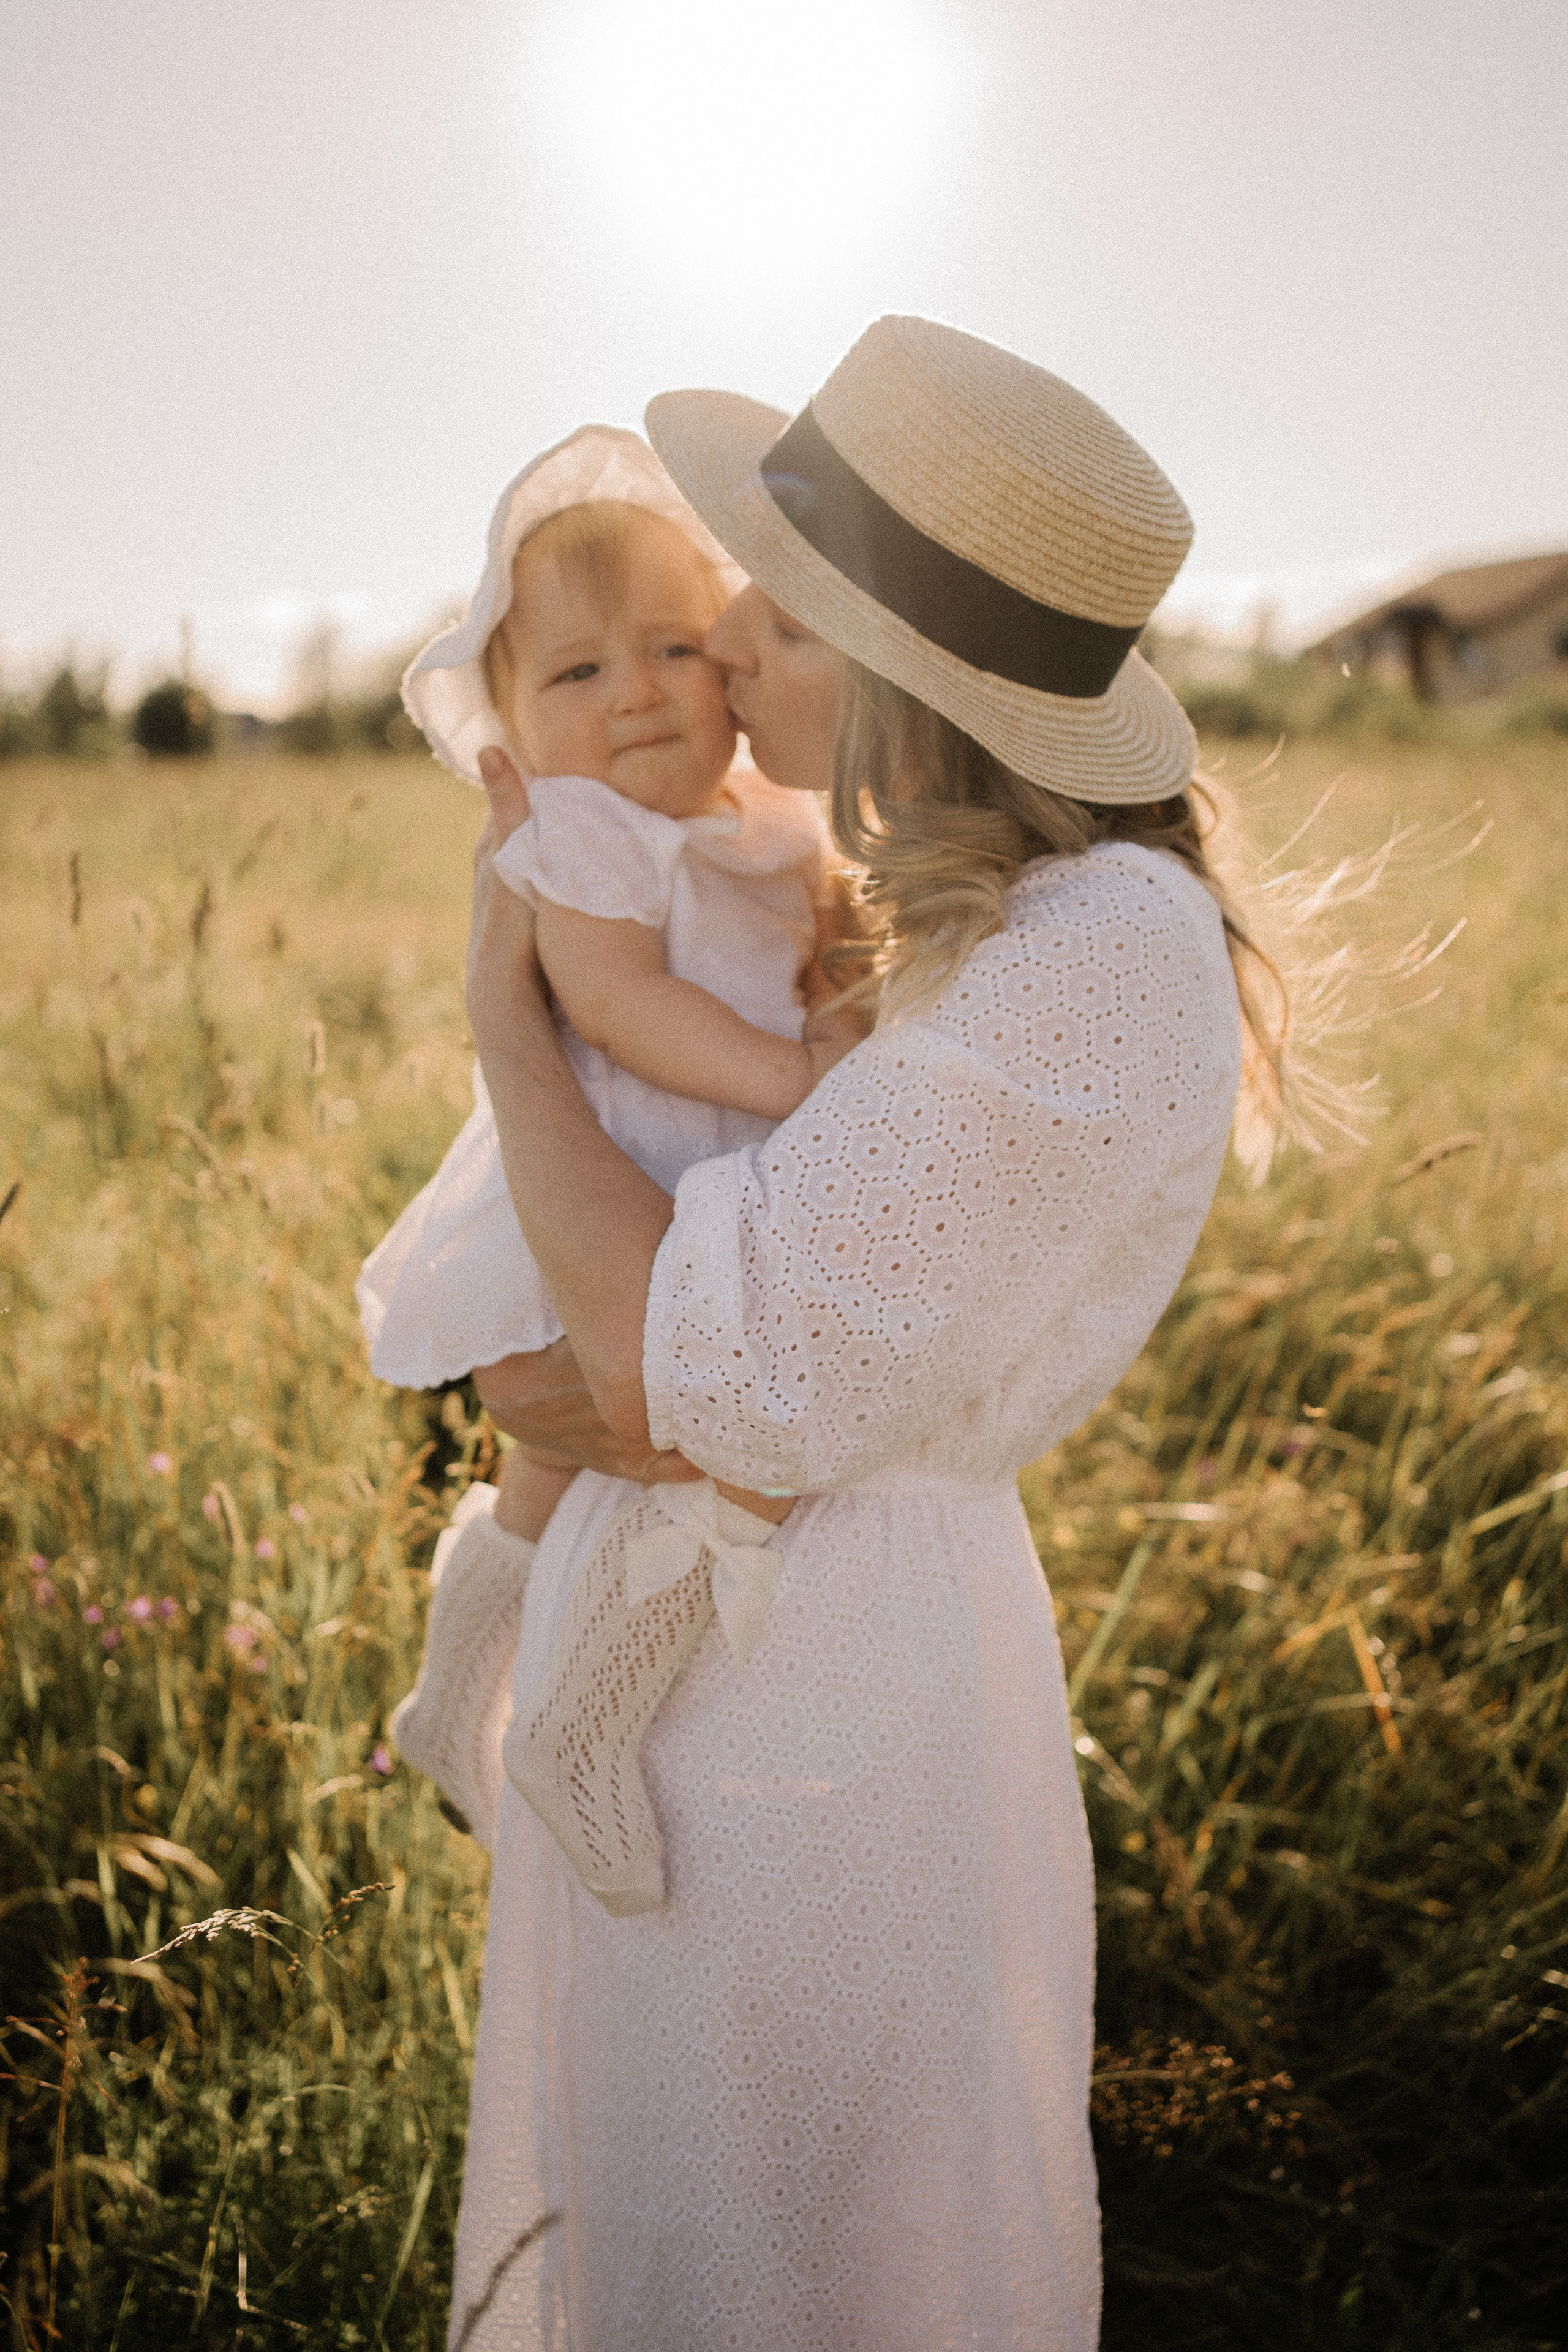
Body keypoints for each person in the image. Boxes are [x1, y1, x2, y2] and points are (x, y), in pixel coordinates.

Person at [446, 316, 1283, 2351]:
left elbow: (669, 1376)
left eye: (773, 628)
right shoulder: (985, 913)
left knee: (800, 2235)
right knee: (690, 2210)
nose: (721, 666)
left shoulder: (1089, 964)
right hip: (756, 1648)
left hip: (815, 1696)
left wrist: (504, 1003)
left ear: (900, 673)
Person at [356, 428, 861, 1851]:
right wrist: (789, 1077)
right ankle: (482, 1709)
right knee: (585, 1458)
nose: (633, 692)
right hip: (607, 1181)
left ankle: (555, 1718)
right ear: (509, 726)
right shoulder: (576, 836)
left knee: (660, 1467)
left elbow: (821, 954)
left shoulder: (776, 821)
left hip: (713, 1191)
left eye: (671, 647)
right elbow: (614, 999)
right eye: (578, 672)